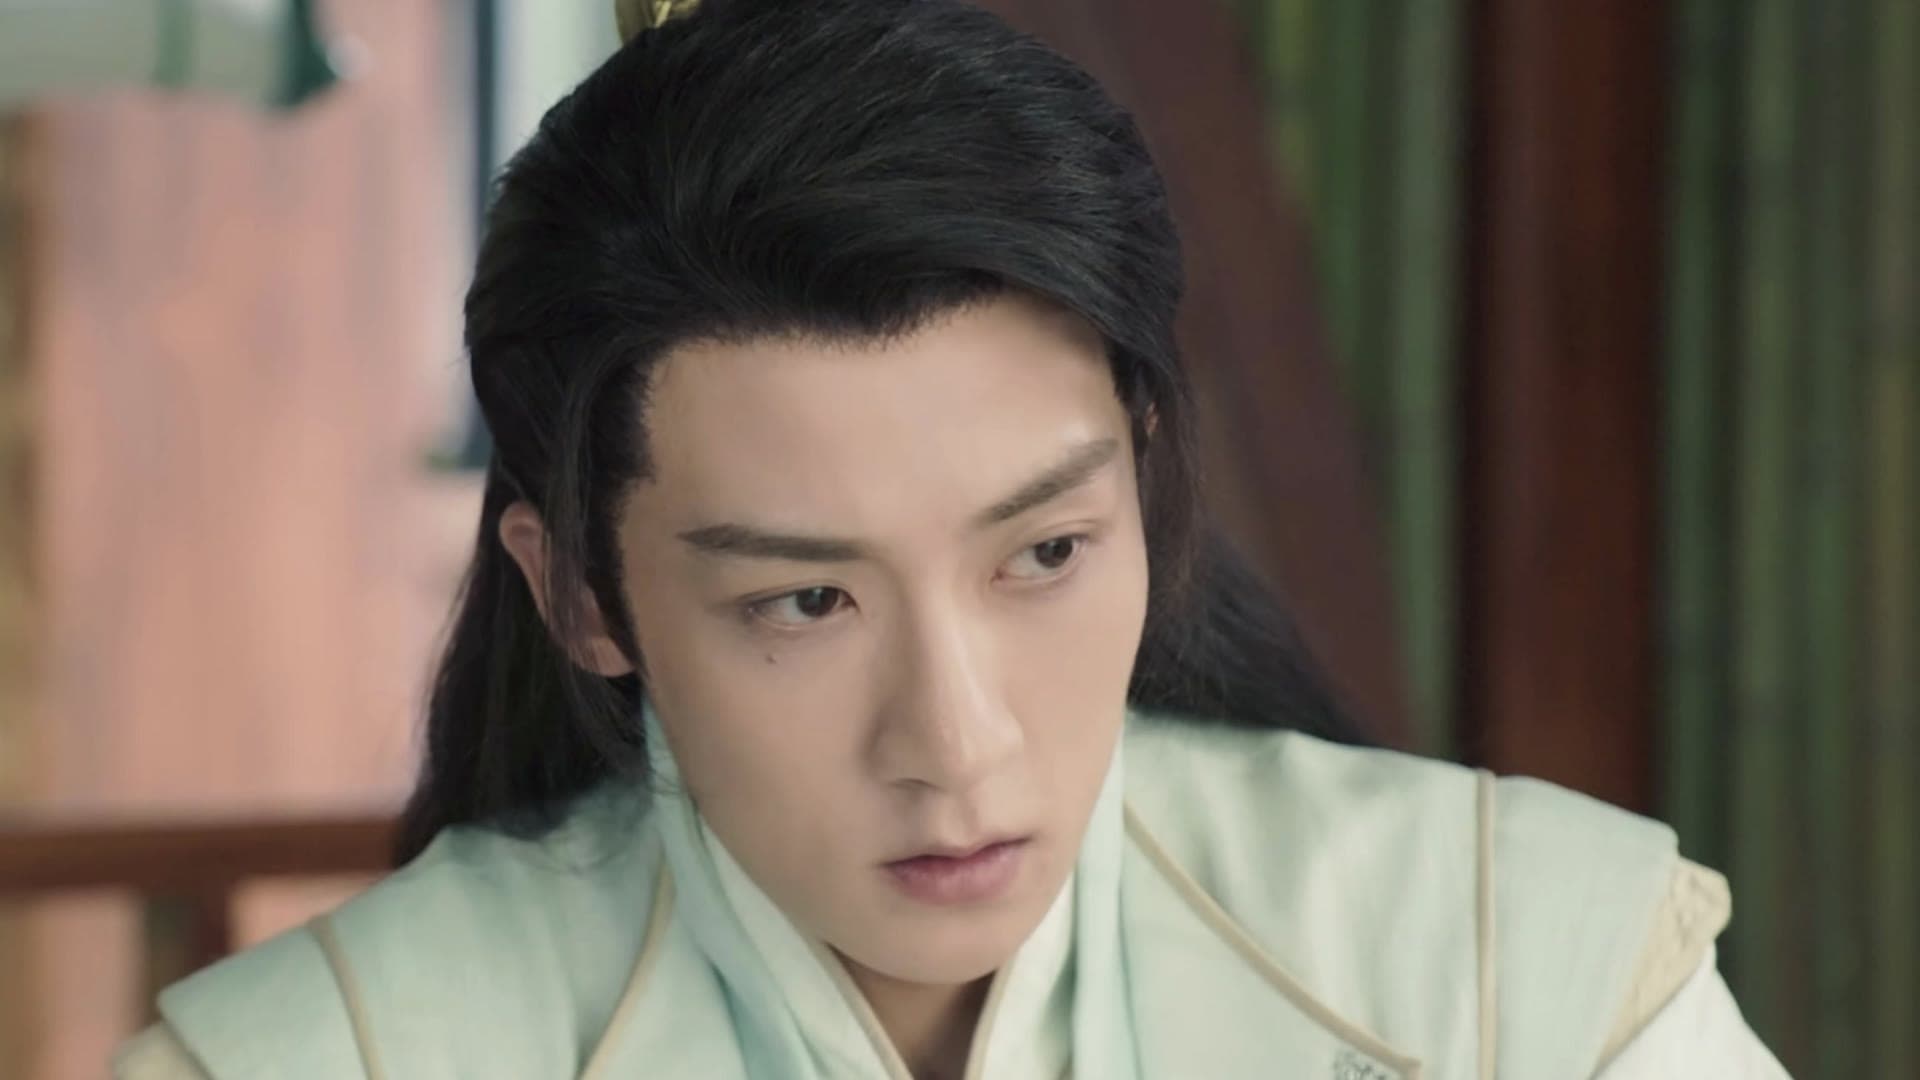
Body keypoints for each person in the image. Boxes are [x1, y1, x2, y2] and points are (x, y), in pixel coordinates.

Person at [114, 0, 1789, 1076]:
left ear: (1145, 485)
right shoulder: (329, 1058)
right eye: (804, 600)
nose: (959, 743)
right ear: (583, 599)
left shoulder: (1521, 972)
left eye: (1044, 555)